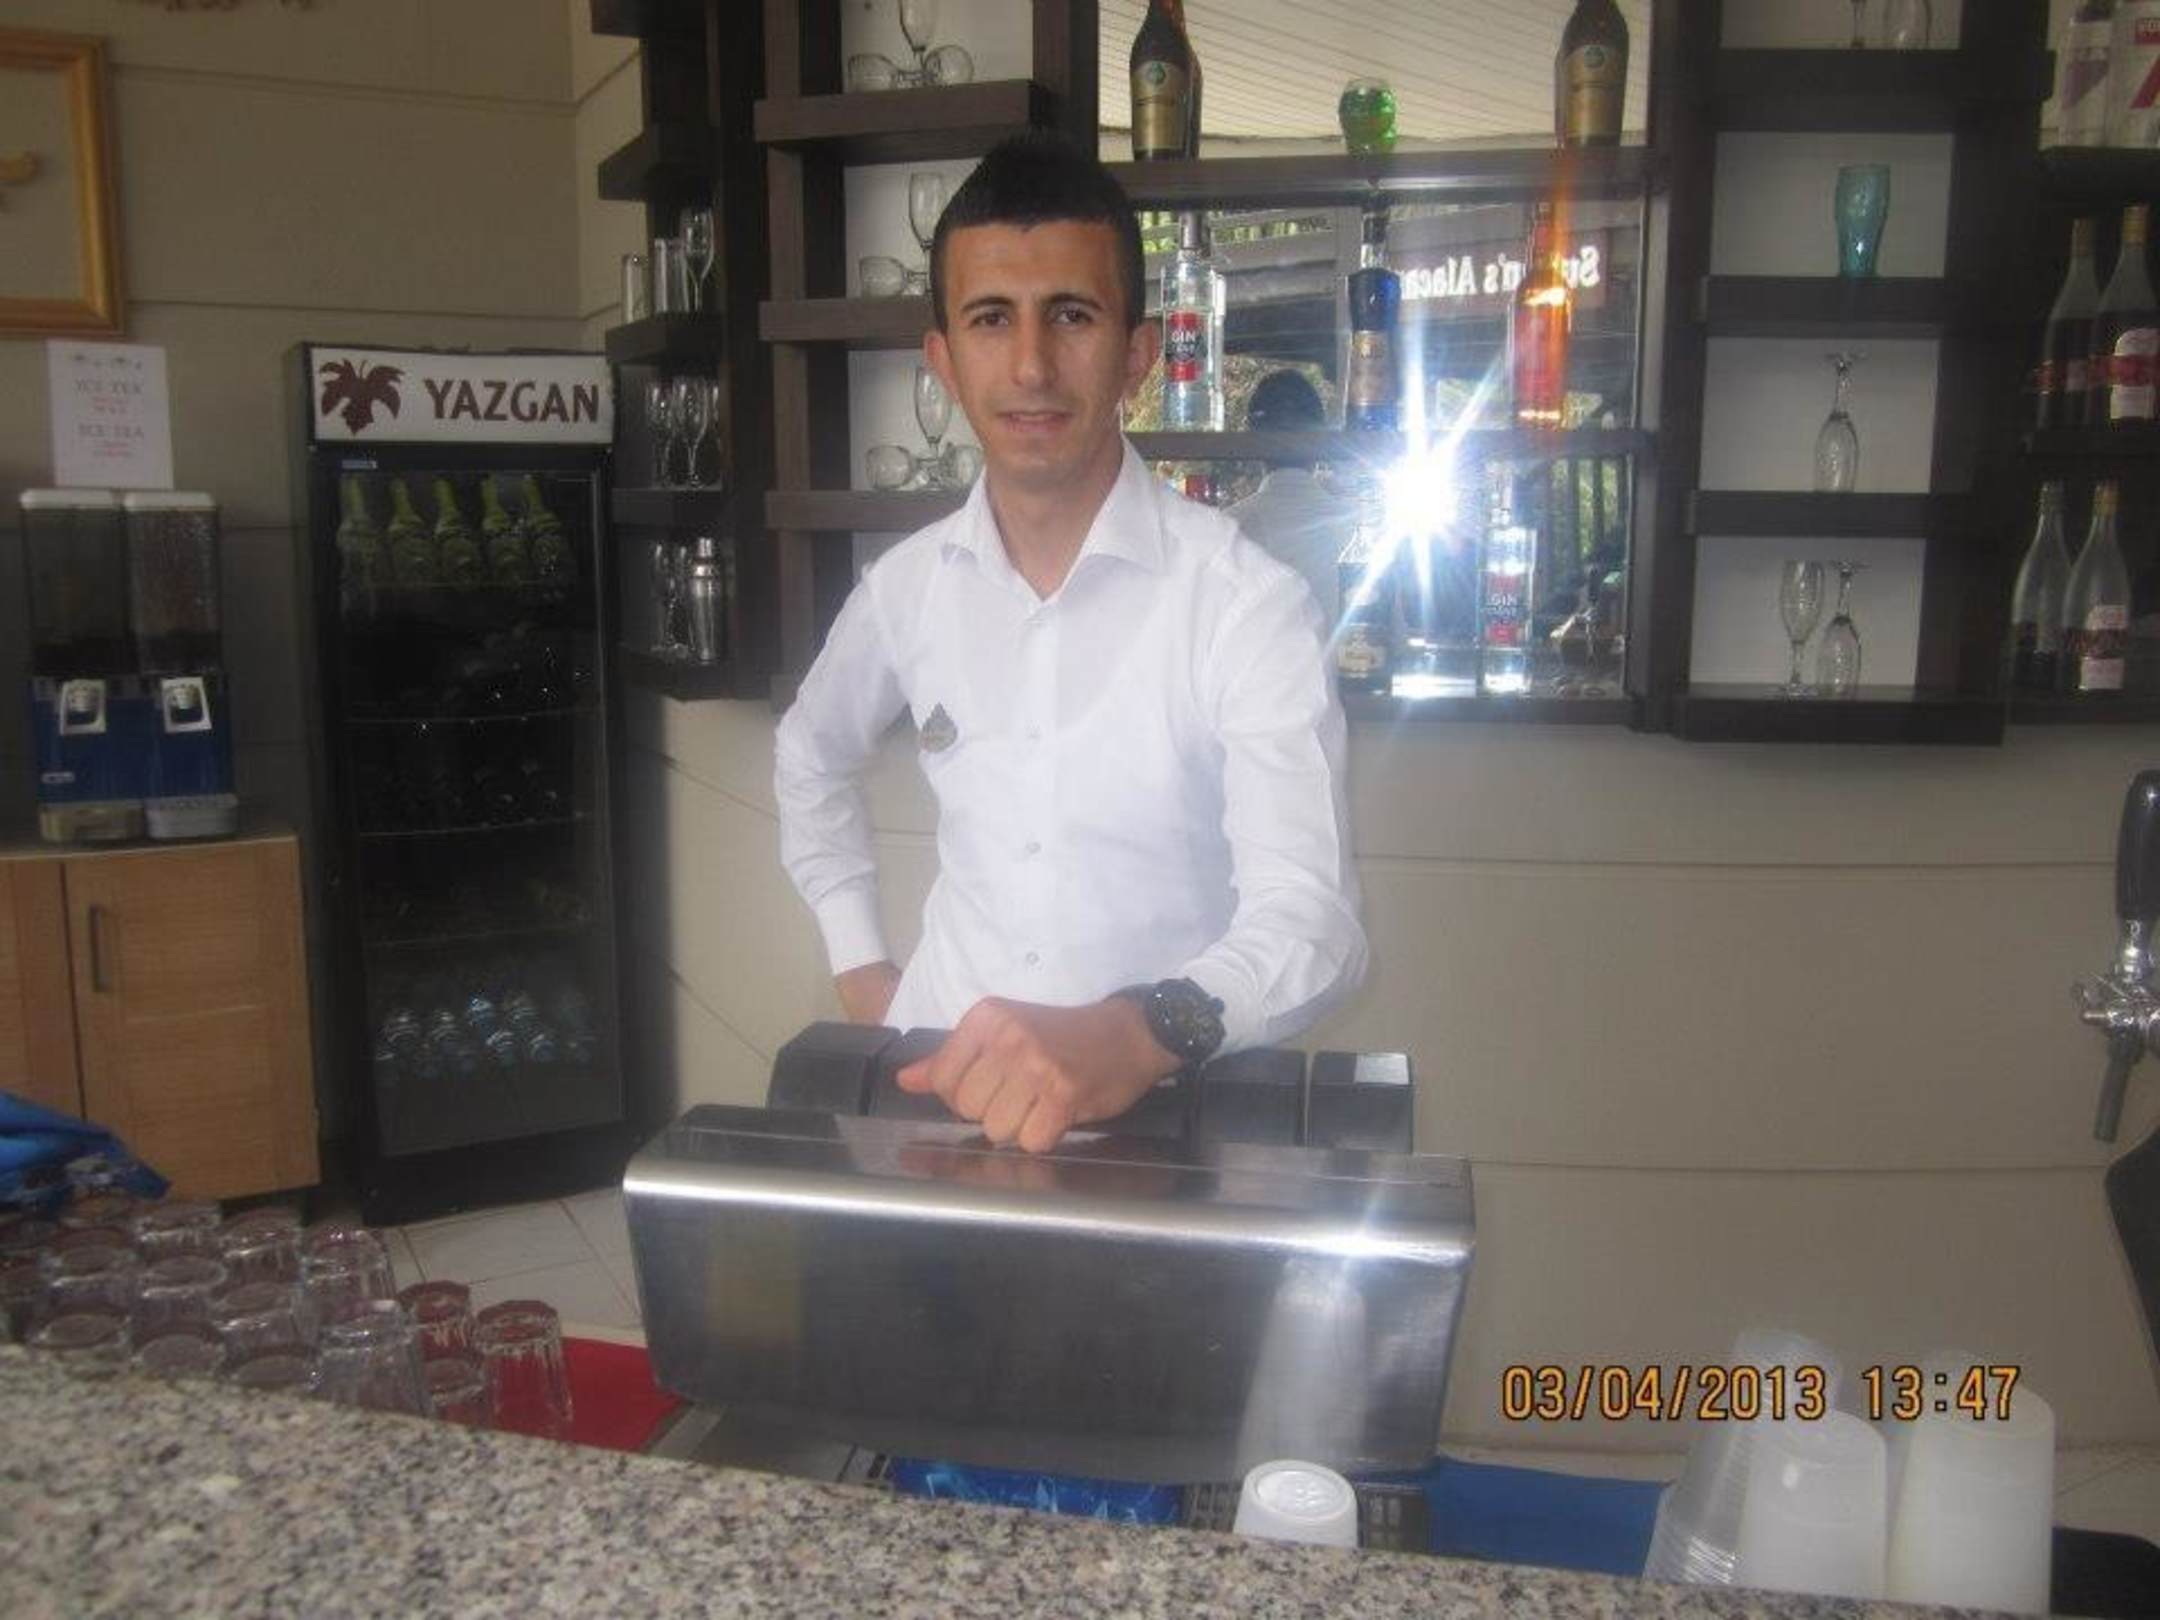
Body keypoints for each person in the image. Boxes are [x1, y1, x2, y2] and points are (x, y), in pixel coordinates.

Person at [773, 131, 1367, 1154]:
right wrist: (865, 969)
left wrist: (1137, 1032)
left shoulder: (1245, 606)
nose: (1032, 365)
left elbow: (1314, 924)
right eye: (991, 319)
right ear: (944, 361)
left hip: (1166, 1123)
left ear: (1138, 354)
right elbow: (807, 753)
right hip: (938, 1106)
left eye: (1072, 315)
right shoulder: (906, 591)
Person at [1224, 370, 1358, 632]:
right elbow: (1390, 636)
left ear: (1252, 443)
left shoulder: (1230, 529)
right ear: (1320, 439)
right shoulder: (1360, 530)